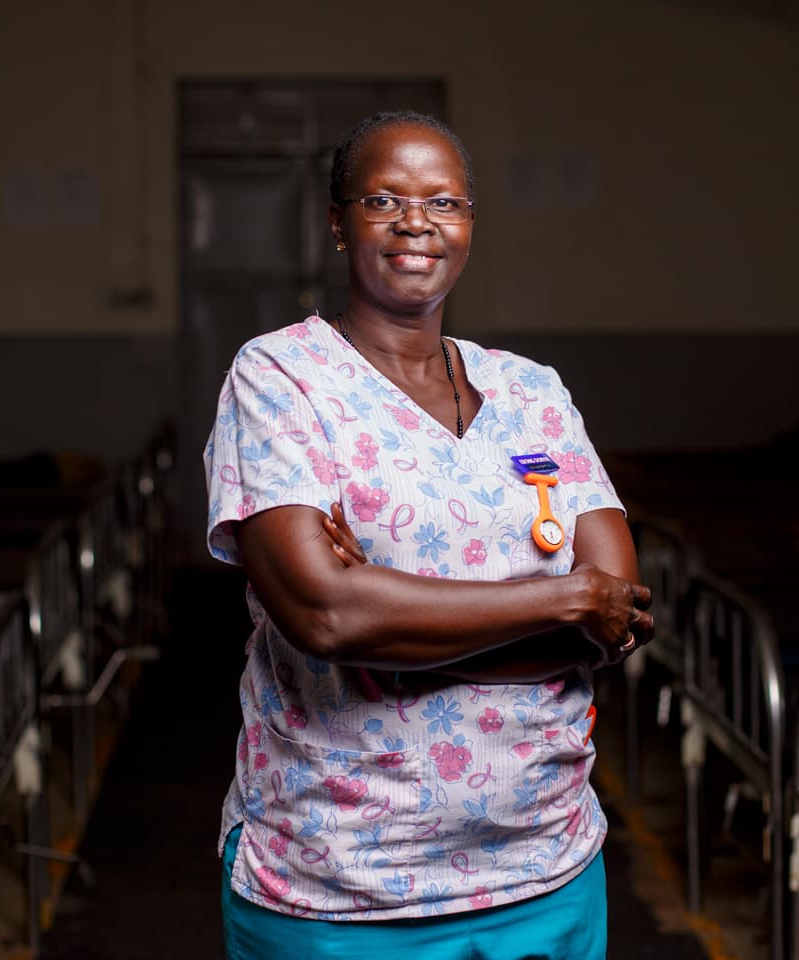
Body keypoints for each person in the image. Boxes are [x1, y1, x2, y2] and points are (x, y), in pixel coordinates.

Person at [203, 110, 654, 960]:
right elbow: (325, 619)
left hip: (546, 864)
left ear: (470, 226)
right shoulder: (279, 377)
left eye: (444, 201)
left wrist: (392, 622)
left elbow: (617, 610)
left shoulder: (532, 391)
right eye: (384, 199)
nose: (417, 222)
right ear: (339, 223)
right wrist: (559, 602)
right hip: (339, 883)